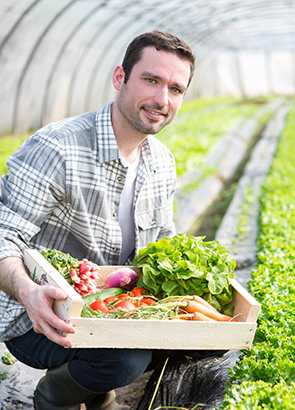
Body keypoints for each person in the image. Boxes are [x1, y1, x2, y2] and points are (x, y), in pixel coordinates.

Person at [0, 30, 195, 409]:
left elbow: (162, 248)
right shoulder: (58, 149)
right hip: (37, 316)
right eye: (151, 80)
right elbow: (2, 235)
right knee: (126, 358)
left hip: (107, 308)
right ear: (120, 77)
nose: (162, 99)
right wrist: (28, 292)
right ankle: (56, 397)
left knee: (194, 343)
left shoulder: (162, 163)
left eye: (176, 89)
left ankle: (93, 387)